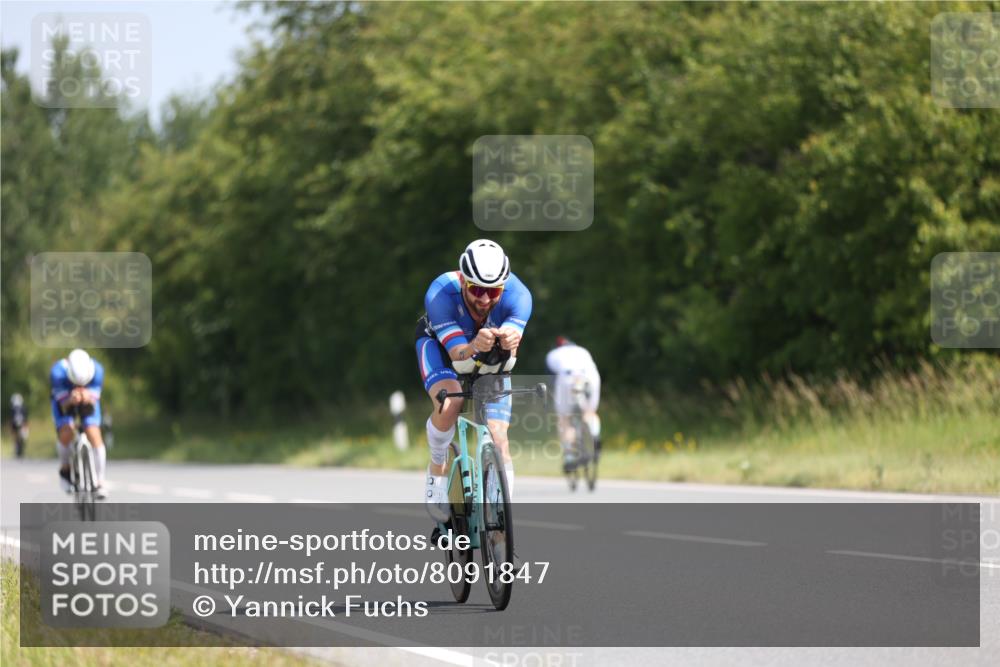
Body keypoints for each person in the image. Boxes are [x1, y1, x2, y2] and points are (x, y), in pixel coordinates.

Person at [415, 239, 532, 521]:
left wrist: (509, 343)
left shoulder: (520, 296)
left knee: (498, 434)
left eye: (493, 292)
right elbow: (458, 357)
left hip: (490, 357)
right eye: (476, 289)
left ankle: (500, 520)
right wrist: (475, 345)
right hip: (441, 347)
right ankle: (437, 467)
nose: (484, 299)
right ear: (463, 280)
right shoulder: (440, 293)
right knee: (450, 403)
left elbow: (509, 360)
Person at [50, 349, 108, 498]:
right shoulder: (58, 373)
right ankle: (65, 470)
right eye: (76, 383)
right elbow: (63, 405)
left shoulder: (97, 371)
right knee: (66, 431)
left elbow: (94, 398)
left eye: (84, 383)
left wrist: (89, 397)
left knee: (93, 432)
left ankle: (100, 481)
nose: (80, 385)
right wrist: (70, 400)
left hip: (88, 401)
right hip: (64, 400)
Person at [546, 336, 602, 471]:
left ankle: (570, 457)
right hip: (590, 376)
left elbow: (551, 381)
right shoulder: (582, 350)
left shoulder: (552, 355)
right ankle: (594, 434)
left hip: (568, 378)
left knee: (565, 418)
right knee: (589, 412)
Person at [10, 393, 29, 458]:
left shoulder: (13, 408)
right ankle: (19, 449)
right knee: (21, 437)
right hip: (21, 424)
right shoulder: (23, 407)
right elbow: (26, 418)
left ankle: (18, 449)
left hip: (16, 424)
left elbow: (12, 418)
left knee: (16, 437)